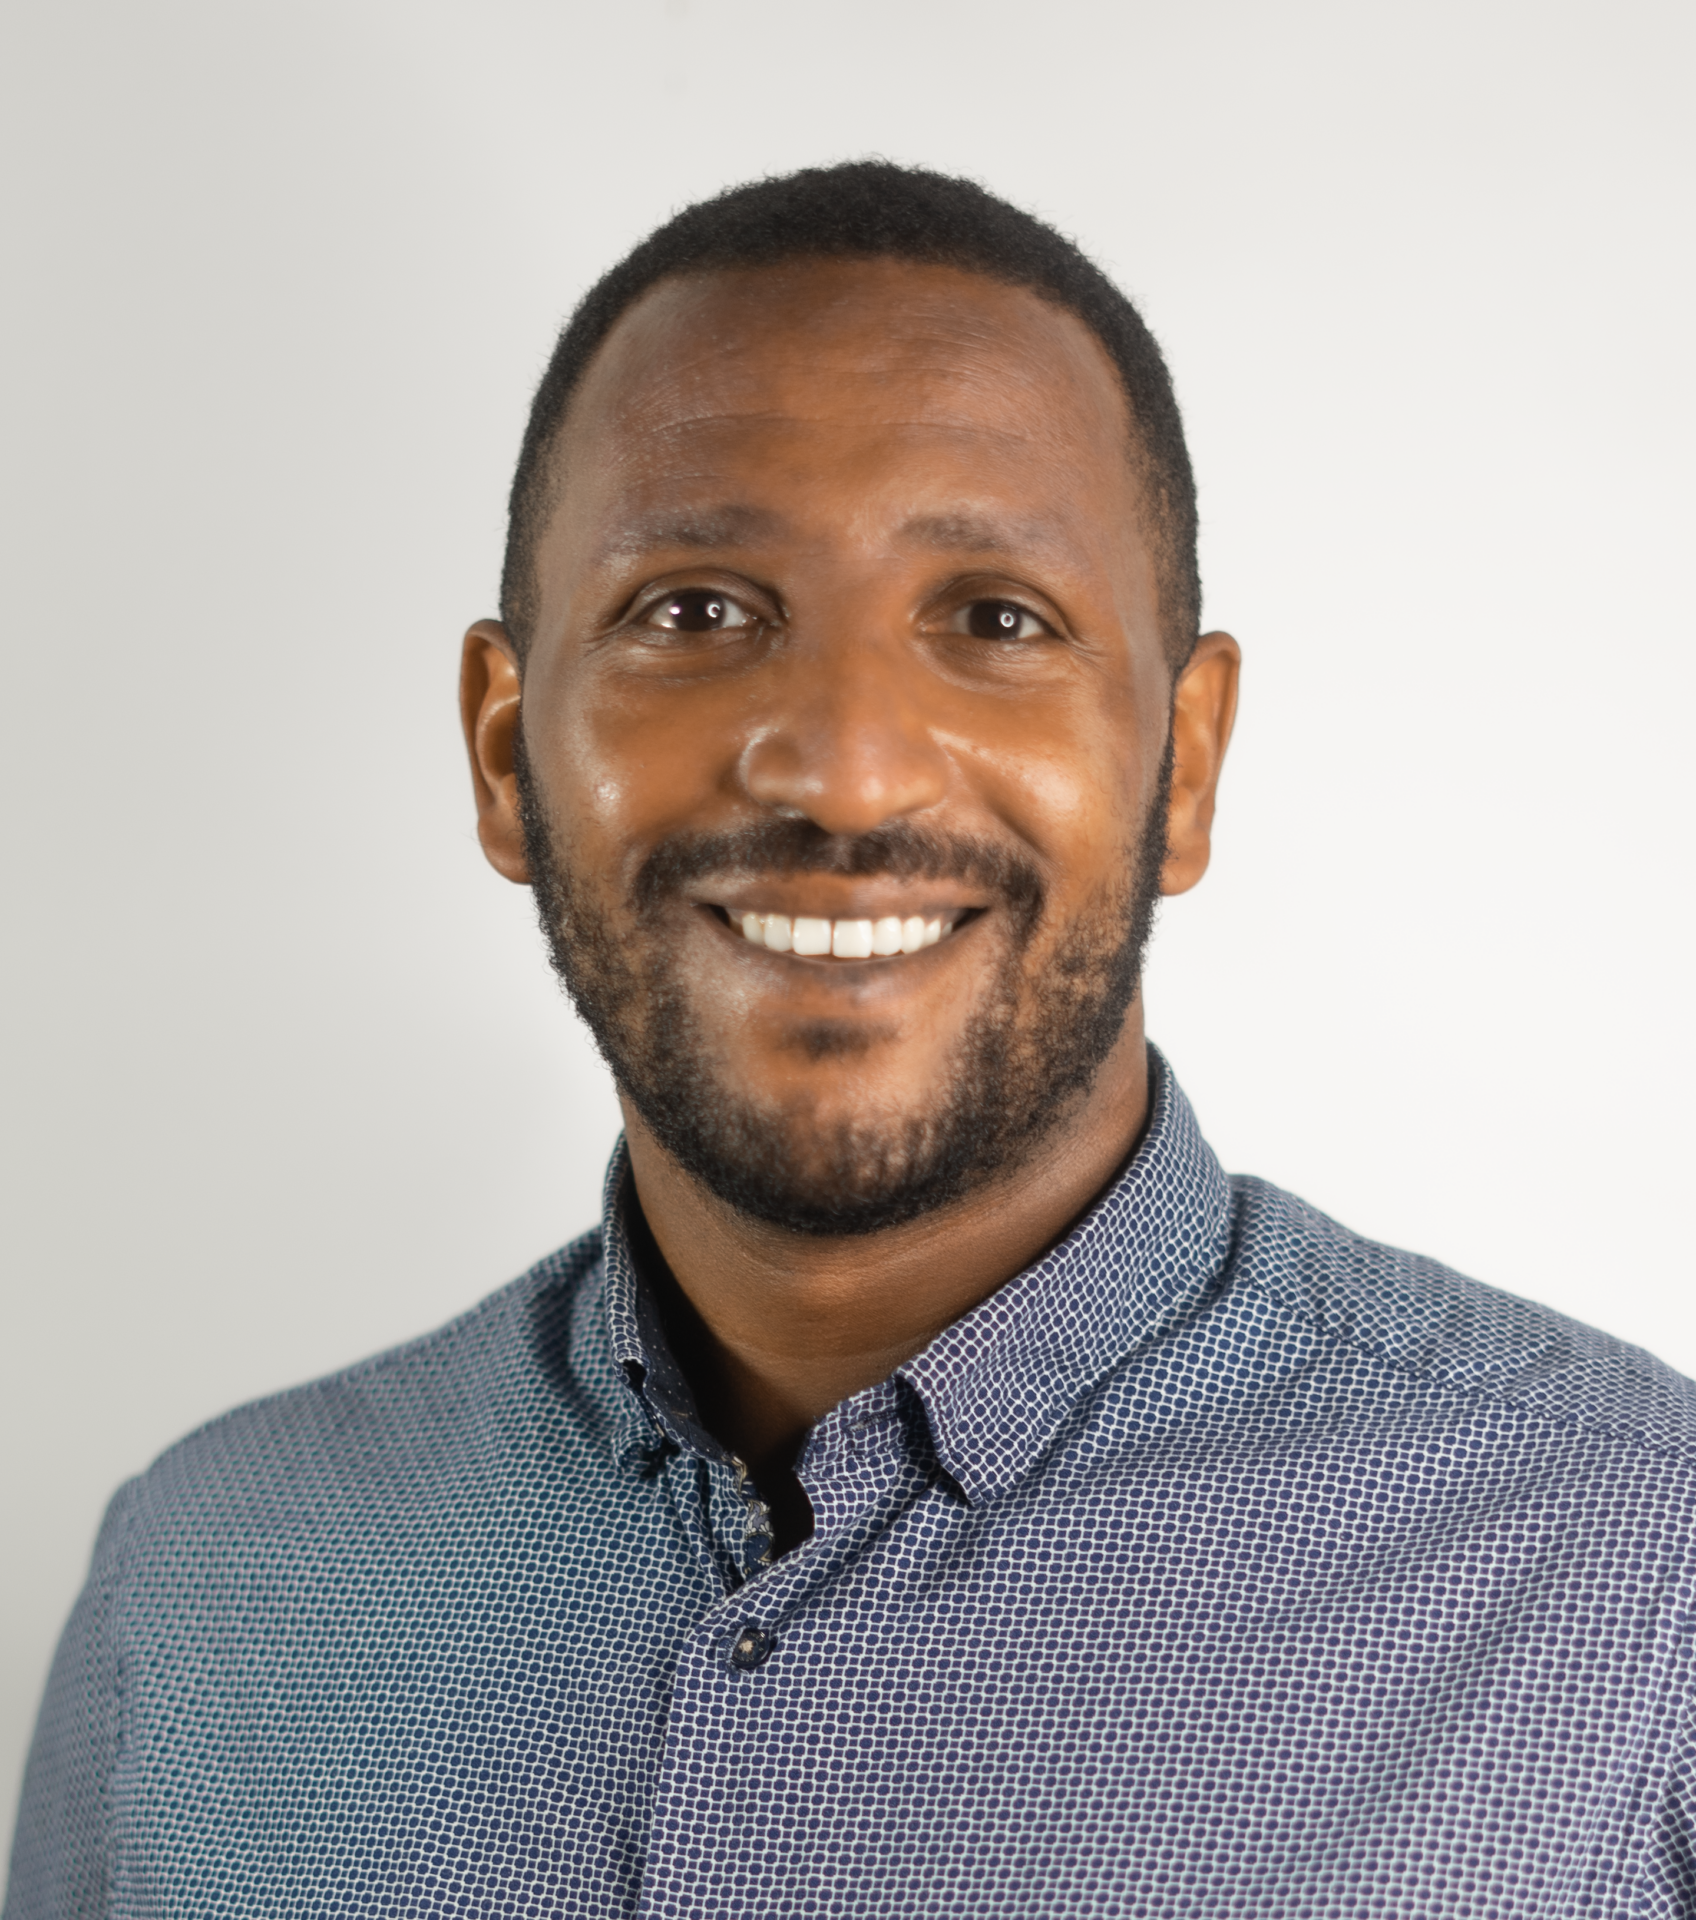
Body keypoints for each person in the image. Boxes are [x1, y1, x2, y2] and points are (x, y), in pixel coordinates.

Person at [6, 161, 1694, 1920]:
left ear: (1183, 768)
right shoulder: (197, 1595)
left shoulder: (1645, 1585)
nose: (844, 768)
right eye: (699, 613)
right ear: (506, 753)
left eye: (994, 621)